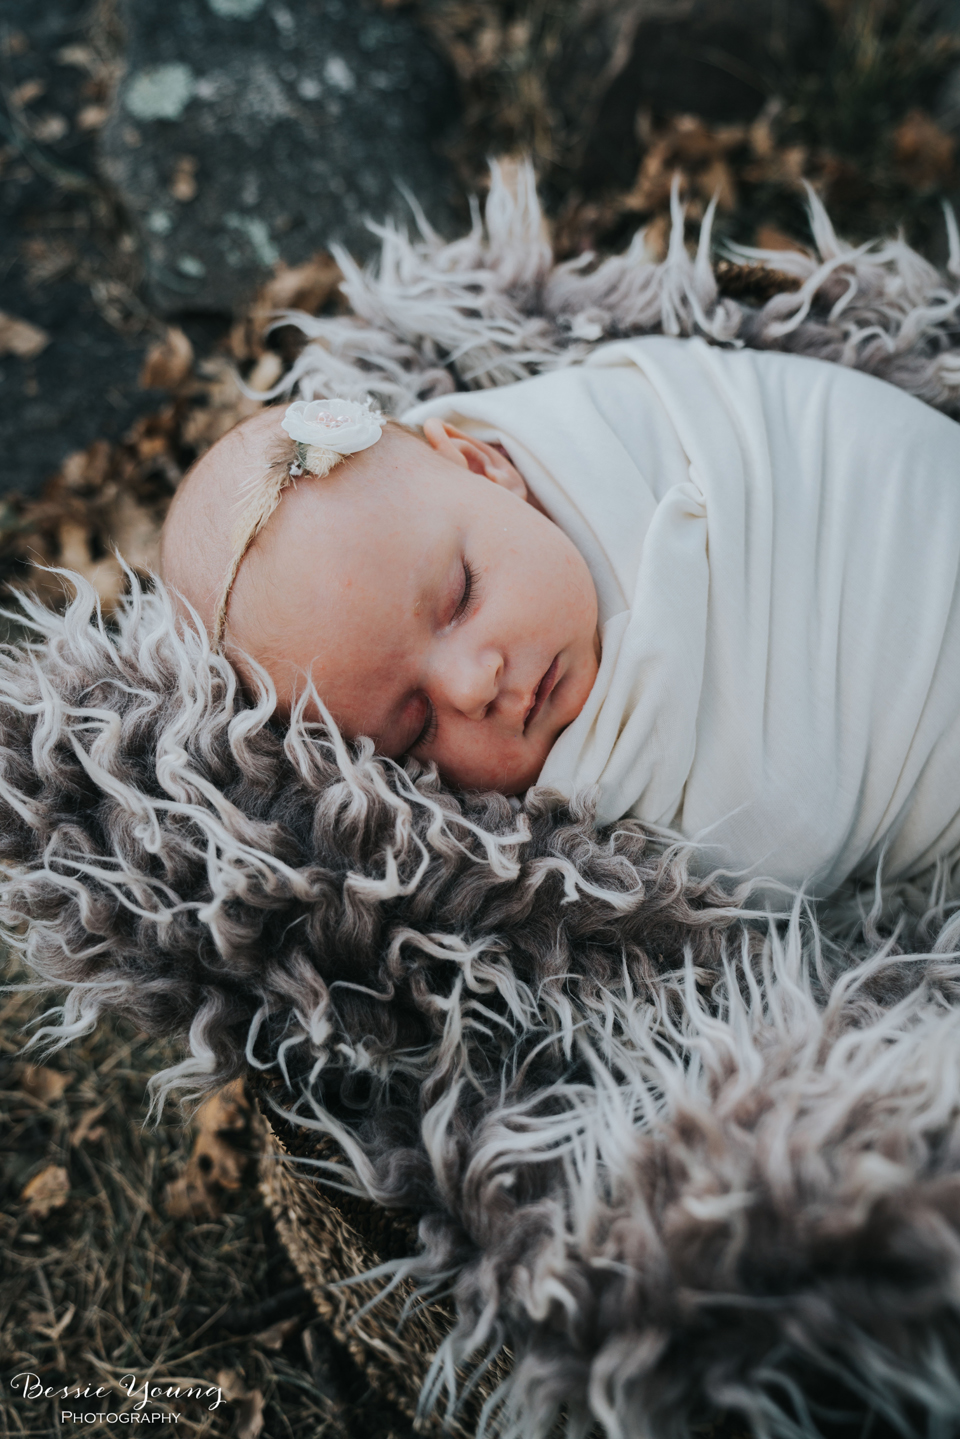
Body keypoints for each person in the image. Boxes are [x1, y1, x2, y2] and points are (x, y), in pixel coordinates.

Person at [160, 334, 960, 896]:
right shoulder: (538, 845)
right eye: (415, 731)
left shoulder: (621, 439)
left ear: (485, 465)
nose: (474, 684)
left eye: (459, 597)